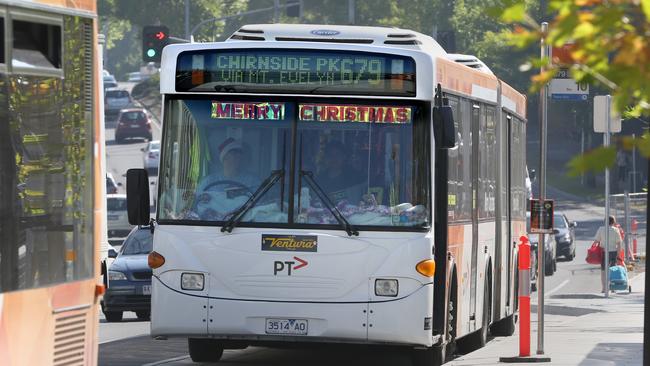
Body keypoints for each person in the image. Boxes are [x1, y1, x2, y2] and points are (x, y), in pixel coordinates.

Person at [193, 137, 258, 220]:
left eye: (239, 154)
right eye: (233, 154)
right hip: (211, 225)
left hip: (243, 223)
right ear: (224, 158)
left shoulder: (252, 181)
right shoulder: (208, 181)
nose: (237, 157)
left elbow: (259, 206)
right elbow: (198, 205)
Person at [315, 140, 364, 205]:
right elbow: (316, 202)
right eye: (330, 155)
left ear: (344, 157)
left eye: (337, 154)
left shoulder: (354, 178)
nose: (333, 158)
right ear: (325, 158)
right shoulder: (320, 179)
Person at [594, 215, 623, 293]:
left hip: (604, 252)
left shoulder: (601, 229)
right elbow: (619, 243)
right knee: (613, 270)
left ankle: (604, 288)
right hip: (613, 252)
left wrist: (593, 249)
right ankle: (613, 288)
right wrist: (618, 254)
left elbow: (596, 241)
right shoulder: (616, 230)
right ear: (613, 222)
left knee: (603, 271)